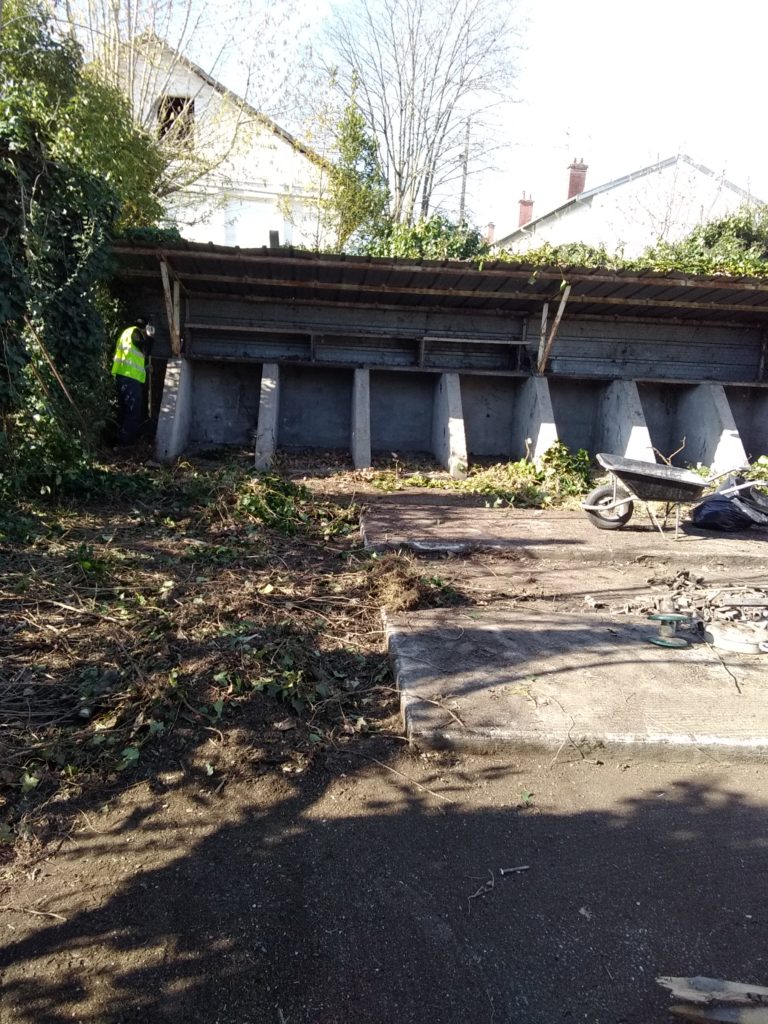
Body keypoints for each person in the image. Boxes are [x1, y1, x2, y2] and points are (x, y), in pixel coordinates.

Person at [111, 318, 155, 445]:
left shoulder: (126, 333)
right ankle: (126, 444)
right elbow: (145, 350)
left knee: (124, 411)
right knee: (133, 411)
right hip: (130, 379)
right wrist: (150, 337)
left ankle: (118, 442)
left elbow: (134, 358)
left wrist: (145, 369)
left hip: (123, 376)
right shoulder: (134, 332)